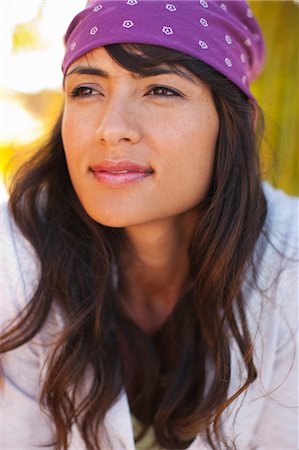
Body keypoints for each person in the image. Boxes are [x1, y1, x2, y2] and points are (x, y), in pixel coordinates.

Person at [0, 1, 298, 449]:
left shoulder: (290, 265)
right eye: (85, 90)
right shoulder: (17, 255)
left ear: (237, 122)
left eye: (161, 90)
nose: (110, 128)